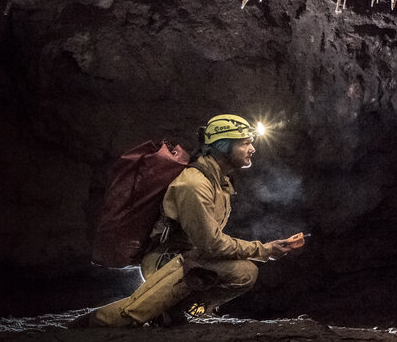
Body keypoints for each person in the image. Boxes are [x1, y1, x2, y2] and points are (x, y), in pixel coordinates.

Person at [72, 113, 298, 327]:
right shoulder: (194, 185)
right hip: (167, 262)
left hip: (192, 258)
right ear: (222, 146)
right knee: (134, 314)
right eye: (245, 143)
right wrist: (265, 250)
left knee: (245, 273)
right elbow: (212, 244)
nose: (252, 149)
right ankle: (98, 321)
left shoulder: (219, 181)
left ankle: (180, 310)